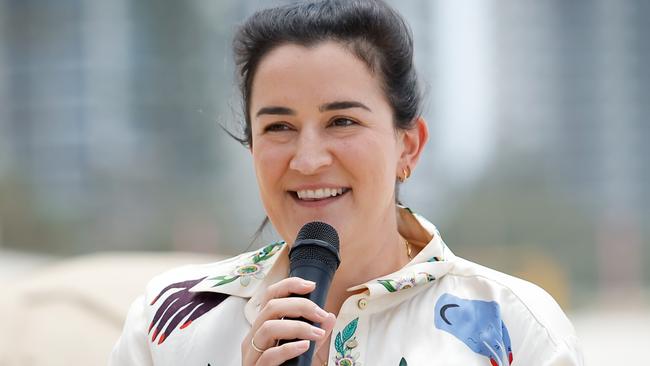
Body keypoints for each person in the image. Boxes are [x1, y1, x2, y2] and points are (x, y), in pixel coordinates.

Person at [110, 1, 584, 365]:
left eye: (341, 121)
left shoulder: (517, 326)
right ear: (251, 148)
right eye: (279, 127)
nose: (309, 159)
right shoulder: (169, 324)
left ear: (409, 146)